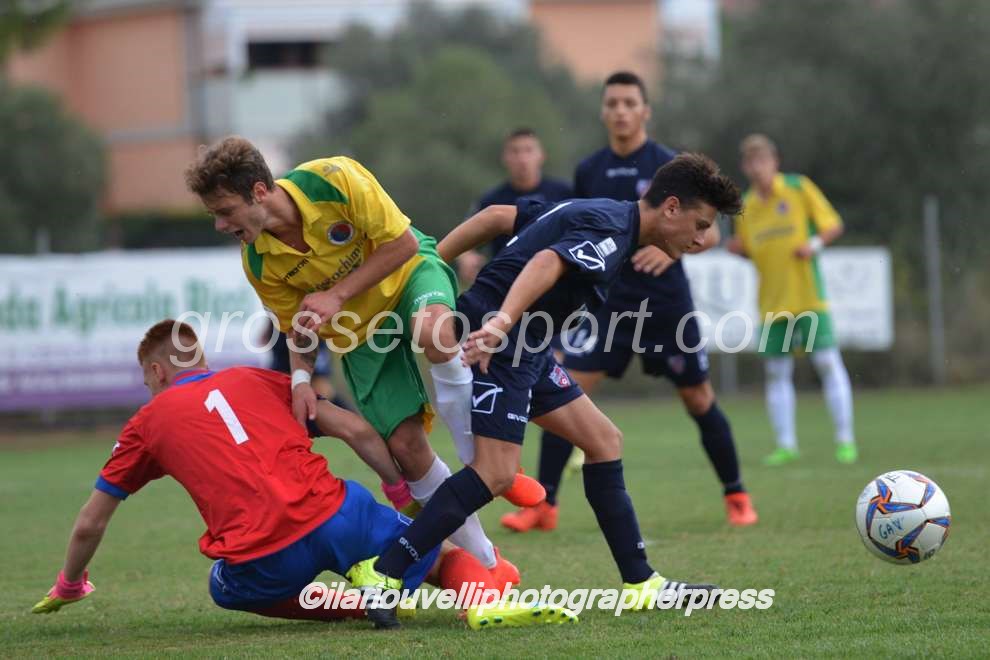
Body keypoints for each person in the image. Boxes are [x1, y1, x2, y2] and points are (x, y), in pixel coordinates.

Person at [344, 153, 742, 626]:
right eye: (700, 225)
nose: (701, 239)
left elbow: (496, 217)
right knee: (494, 473)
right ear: (671, 207)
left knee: (603, 440)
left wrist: (427, 267)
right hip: (503, 346)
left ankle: (641, 583)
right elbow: (546, 261)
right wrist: (499, 321)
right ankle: (385, 572)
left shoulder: (603, 211)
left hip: (528, 349)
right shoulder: (613, 233)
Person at [30, 320, 575, 631]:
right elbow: (356, 429)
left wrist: (70, 584)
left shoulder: (146, 423)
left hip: (263, 553)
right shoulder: (257, 380)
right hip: (339, 513)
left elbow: (91, 522)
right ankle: (483, 602)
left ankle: (356, 603)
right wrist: (396, 490)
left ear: (156, 371)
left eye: (147, 380)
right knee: (436, 553)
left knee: (223, 588)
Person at [184, 138, 540, 582]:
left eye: (225, 211)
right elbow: (298, 328)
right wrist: (300, 380)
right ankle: (488, 566)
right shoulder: (257, 261)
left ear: (258, 191)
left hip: (409, 276)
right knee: (407, 449)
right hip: (358, 332)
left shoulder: (334, 179)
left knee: (433, 331)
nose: (220, 225)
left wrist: (336, 294)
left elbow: (403, 244)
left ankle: (489, 464)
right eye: (214, 215)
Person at [502, 71, 758, 533]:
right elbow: (582, 228)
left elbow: (710, 232)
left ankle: (736, 494)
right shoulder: (590, 169)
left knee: (698, 398)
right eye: (613, 103)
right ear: (603, 112)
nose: (620, 111)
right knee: (564, 393)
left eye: (629, 103)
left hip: (666, 306)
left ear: (645, 111)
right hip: (610, 306)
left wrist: (670, 249)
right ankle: (544, 505)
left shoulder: (669, 166)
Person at [730, 133, 857, 466]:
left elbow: (833, 224)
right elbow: (748, 248)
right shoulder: (746, 206)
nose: (758, 168)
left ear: (775, 162)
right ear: (745, 167)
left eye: (762, 160)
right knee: (776, 372)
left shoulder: (798, 188)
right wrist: (738, 250)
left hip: (807, 297)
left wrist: (812, 246)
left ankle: (845, 441)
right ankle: (786, 445)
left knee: (827, 363)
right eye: (751, 162)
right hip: (772, 302)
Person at [457, 128, 572, 284]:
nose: (522, 158)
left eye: (528, 150)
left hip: (556, 280)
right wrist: (466, 257)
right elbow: (464, 237)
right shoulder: (492, 201)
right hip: (505, 282)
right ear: (505, 158)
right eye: (515, 151)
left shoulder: (565, 193)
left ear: (541, 156)